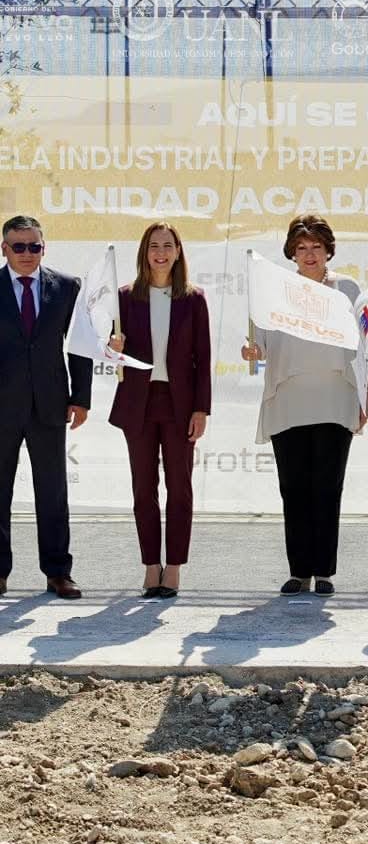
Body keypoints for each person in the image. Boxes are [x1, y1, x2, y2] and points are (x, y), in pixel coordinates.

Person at [241, 217, 368, 596]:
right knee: (293, 488)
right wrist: (252, 350)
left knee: (327, 488)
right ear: (291, 253)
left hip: (335, 396)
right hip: (288, 400)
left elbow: (364, 348)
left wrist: (367, 393)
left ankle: (324, 571)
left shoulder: (347, 289)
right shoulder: (272, 290)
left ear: (328, 249)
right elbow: (260, 343)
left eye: (316, 247)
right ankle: (299, 570)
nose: (309, 255)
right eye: (301, 248)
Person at [108, 222, 211, 597]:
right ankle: (151, 566)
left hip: (180, 405)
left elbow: (204, 359)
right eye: (154, 246)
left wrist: (201, 409)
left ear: (179, 251)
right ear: (144, 252)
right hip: (139, 402)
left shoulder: (193, 299)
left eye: (168, 245)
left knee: (180, 489)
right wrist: (113, 345)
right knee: (143, 488)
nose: (161, 252)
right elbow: (110, 351)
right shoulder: (125, 297)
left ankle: (174, 568)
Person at [0, 215, 90, 598]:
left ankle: (58, 572)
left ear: (43, 248)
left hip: (51, 405)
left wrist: (81, 398)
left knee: (52, 492)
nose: (26, 253)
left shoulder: (68, 287)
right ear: (4, 249)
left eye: (33, 246)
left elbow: (81, 345)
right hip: (2, 405)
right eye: (18, 246)